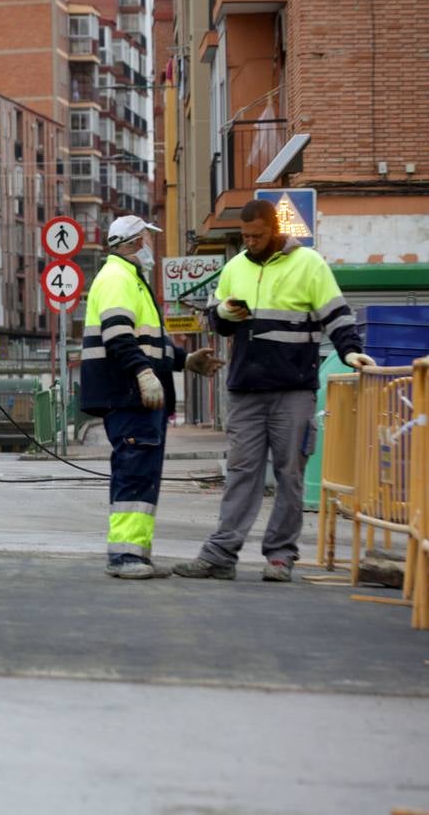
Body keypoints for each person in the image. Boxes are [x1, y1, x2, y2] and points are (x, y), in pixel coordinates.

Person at [174, 199, 373, 582]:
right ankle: (220, 556)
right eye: (245, 236)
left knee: (289, 473)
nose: (250, 242)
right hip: (246, 388)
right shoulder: (234, 268)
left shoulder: (309, 265)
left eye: (258, 235)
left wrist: (351, 353)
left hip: (292, 389)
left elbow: (337, 314)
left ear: (276, 229)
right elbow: (218, 322)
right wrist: (223, 315)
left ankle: (280, 556)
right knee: (240, 472)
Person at [81, 216, 224, 579]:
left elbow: (150, 342)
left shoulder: (130, 280)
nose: (149, 247)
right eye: (146, 240)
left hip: (132, 397)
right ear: (135, 241)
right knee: (134, 472)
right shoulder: (117, 279)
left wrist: (184, 360)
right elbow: (118, 336)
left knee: (140, 474)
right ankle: (125, 557)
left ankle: (134, 555)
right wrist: (144, 374)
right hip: (128, 396)